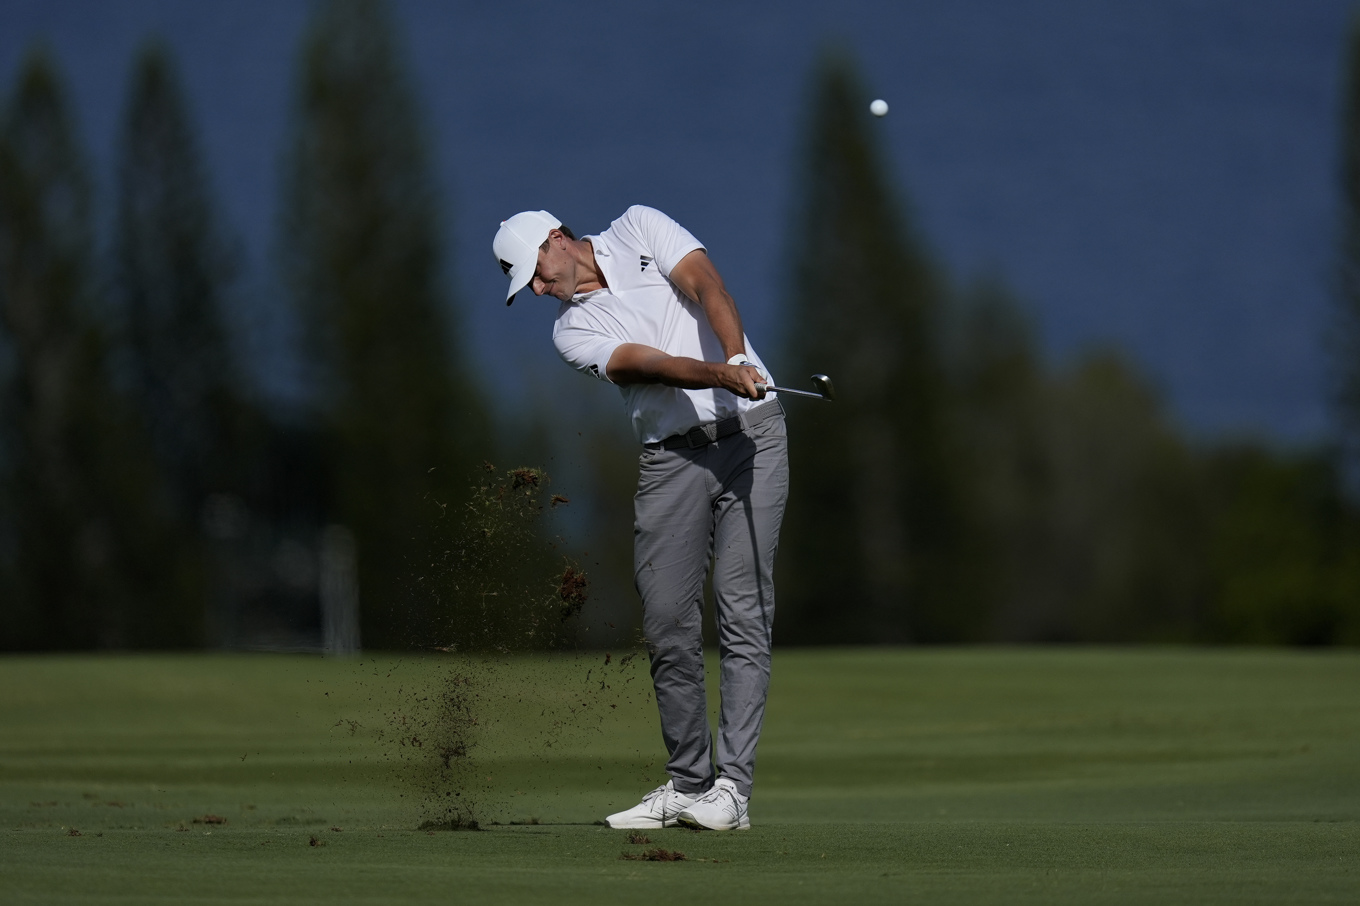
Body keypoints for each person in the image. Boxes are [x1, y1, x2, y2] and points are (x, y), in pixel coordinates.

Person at [492, 205, 789, 831]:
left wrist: (737, 357)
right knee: (666, 621)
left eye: (537, 276)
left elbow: (709, 286)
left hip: (752, 439)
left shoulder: (639, 227)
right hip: (670, 459)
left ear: (555, 241)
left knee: (742, 610)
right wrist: (717, 373)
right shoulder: (570, 333)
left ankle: (730, 792)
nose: (542, 291)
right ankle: (688, 784)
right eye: (532, 289)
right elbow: (643, 363)